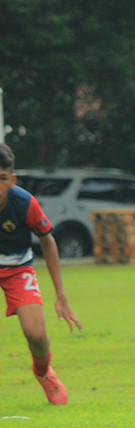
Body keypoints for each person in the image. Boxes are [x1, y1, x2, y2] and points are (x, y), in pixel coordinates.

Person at [0, 144, 82, 404]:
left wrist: (61, 295)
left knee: (36, 334)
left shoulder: (24, 203)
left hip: (17, 268)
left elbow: (47, 240)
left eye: (2, 179)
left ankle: (44, 372)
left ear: (11, 180)